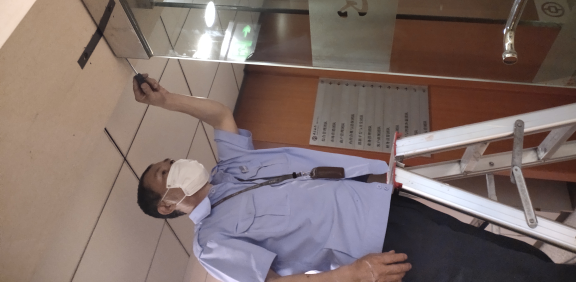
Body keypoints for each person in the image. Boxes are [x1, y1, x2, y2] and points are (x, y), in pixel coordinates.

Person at [133, 75, 576, 282]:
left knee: (496, 250)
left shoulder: (229, 169)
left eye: (169, 161)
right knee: (489, 273)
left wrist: (167, 100)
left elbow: (220, 114)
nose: (176, 165)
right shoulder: (211, 241)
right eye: (164, 173)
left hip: (383, 200)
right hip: (375, 245)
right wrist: (352, 275)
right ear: (168, 204)